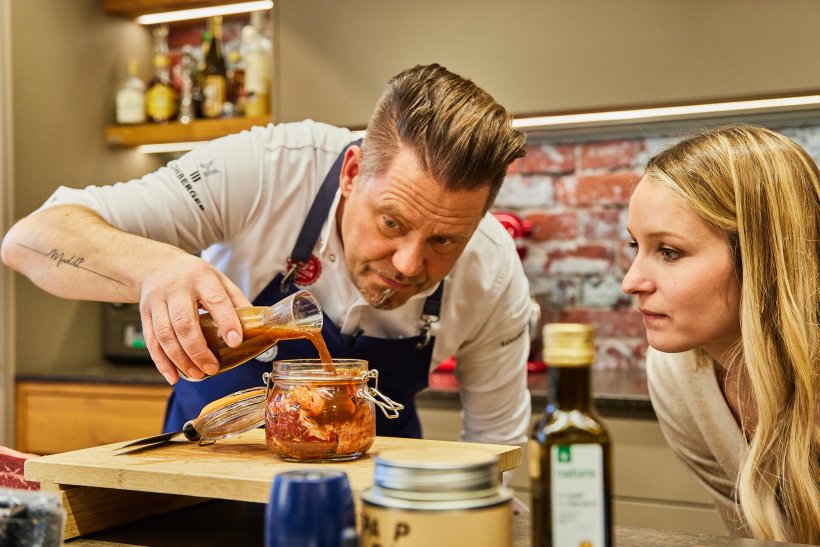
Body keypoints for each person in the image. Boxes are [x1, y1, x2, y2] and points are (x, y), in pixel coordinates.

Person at [1, 63, 532, 444]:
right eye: (392, 223)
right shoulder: (268, 169)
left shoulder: (493, 270)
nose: (409, 265)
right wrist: (156, 266)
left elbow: (497, 446)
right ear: (351, 174)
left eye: (445, 241)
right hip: (198, 489)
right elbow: (30, 240)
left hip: (374, 508)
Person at [621, 124, 819, 543]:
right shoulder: (675, 375)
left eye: (669, 252)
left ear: (761, 257)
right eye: (634, 247)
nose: (632, 281)